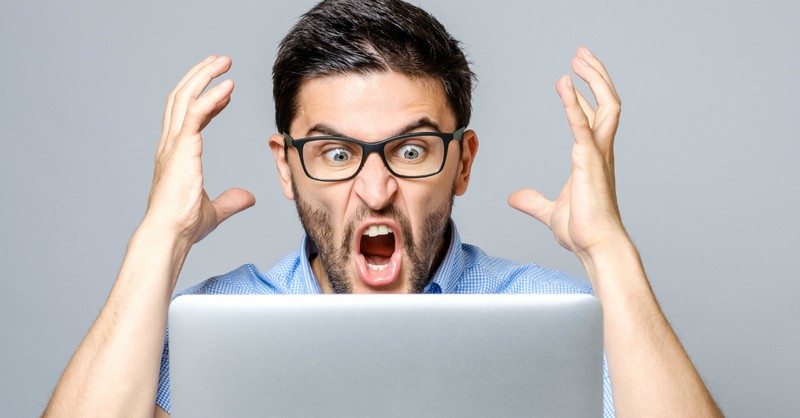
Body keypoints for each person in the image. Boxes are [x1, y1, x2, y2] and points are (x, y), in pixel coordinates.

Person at [42, 0, 723, 417]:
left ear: (462, 162)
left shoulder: (562, 322)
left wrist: (610, 254)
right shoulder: (205, 329)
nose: (374, 190)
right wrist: (159, 238)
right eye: (336, 155)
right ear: (286, 165)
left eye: (413, 150)